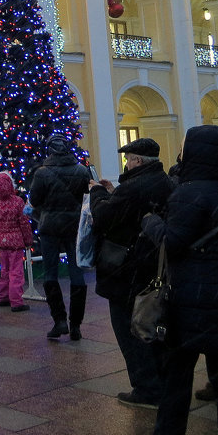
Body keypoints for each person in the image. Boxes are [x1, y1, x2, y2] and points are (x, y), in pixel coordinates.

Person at [124, 125, 218, 435]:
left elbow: (173, 241)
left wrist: (151, 221)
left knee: (177, 379)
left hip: (190, 299)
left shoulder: (188, 193)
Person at [89, 137, 173, 409]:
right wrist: (115, 193)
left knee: (129, 327)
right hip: (153, 265)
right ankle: (161, 381)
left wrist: (97, 194)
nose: (127, 162)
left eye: (129, 159)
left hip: (127, 267)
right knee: (151, 323)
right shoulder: (164, 181)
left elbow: (104, 217)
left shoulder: (134, 186)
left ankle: (146, 388)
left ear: (138, 161)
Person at [29, 134, 90, 340]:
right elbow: (86, 197)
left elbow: (34, 199)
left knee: (50, 274)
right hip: (74, 227)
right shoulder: (82, 170)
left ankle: (59, 321)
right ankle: (76, 326)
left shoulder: (42, 173)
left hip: (50, 227)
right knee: (77, 273)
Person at [0, 171, 32, 312]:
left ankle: (1, 297)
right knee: (16, 272)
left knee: (4, 270)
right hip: (15, 241)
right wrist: (28, 240)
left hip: (2, 239)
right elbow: (24, 223)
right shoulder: (18, 202)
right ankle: (16, 301)